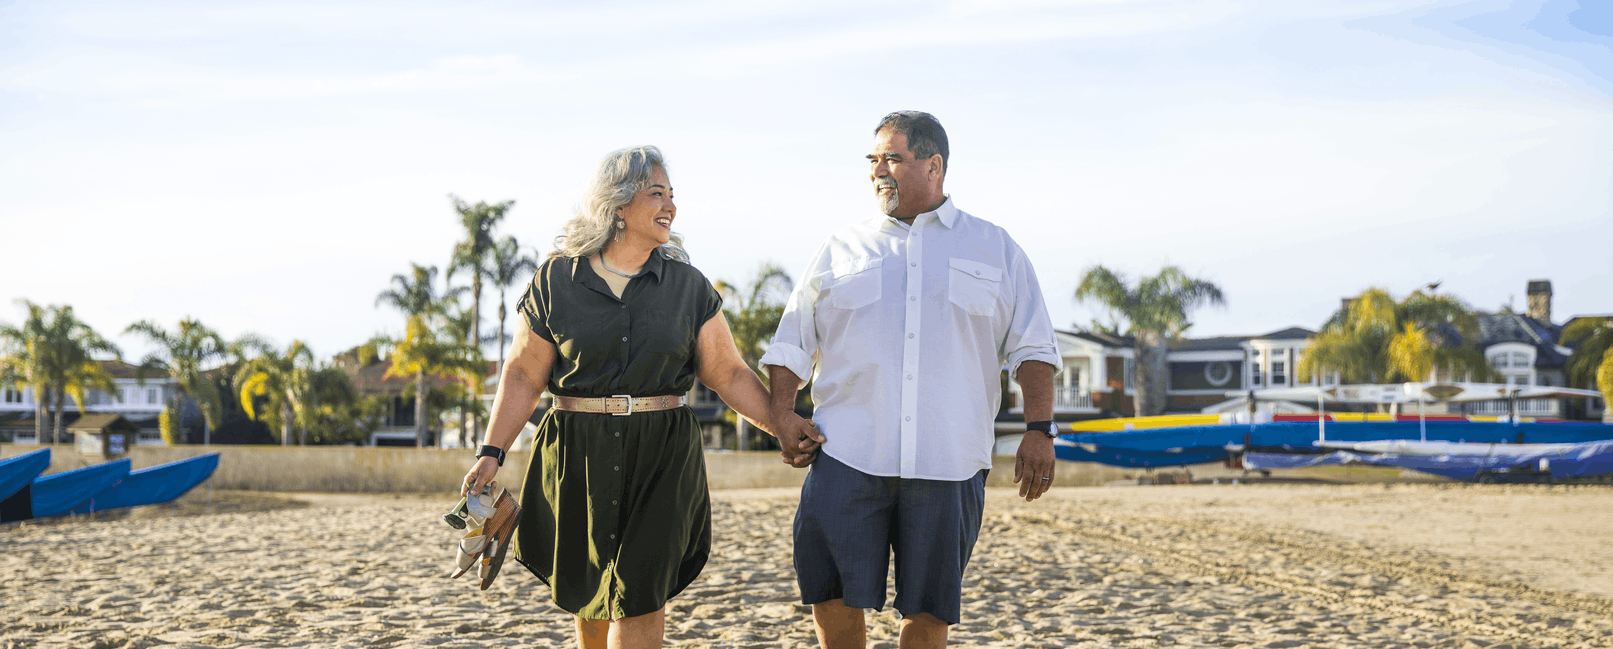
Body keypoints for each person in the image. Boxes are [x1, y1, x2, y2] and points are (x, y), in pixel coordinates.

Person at [461, 145, 793, 649]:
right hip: (578, 457)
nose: (671, 207)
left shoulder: (688, 286)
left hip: (662, 457)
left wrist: (784, 426)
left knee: (640, 594)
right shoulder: (556, 281)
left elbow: (727, 373)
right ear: (618, 206)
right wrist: (491, 453)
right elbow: (525, 375)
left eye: (672, 195)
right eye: (656, 193)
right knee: (588, 592)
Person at [760, 111, 1061, 649]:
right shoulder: (839, 248)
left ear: (934, 165)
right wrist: (782, 412)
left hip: (950, 460)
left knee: (929, 605)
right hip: (847, 454)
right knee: (829, 592)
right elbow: (791, 341)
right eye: (873, 159)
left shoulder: (996, 248)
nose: (879, 170)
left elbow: (1034, 349)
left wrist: (1040, 428)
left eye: (892, 158)